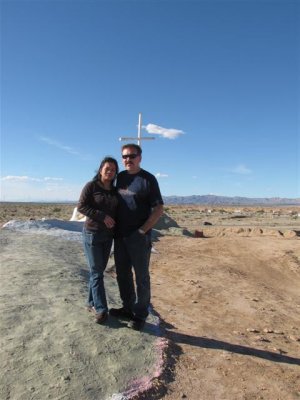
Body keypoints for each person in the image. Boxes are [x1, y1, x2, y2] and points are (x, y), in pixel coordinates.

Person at [110, 144, 164, 331]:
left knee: (141, 277)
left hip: (139, 237)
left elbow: (158, 209)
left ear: (140, 157)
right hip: (120, 236)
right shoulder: (120, 178)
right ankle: (127, 308)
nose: (128, 159)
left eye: (132, 156)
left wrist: (142, 231)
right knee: (123, 275)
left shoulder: (148, 179)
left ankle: (140, 314)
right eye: (124, 156)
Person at [77, 156, 119, 324]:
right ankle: (101, 309)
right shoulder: (91, 186)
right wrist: (102, 216)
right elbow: (81, 206)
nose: (110, 172)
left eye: (113, 170)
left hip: (108, 237)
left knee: (98, 271)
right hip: (92, 234)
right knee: (96, 272)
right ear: (101, 169)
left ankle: (90, 301)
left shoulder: (114, 191)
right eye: (107, 168)